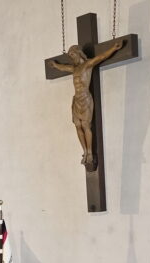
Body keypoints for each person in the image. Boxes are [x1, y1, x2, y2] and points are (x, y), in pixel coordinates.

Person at [46, 39, 125, 168]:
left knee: (86, 125)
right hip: (76, 100)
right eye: (70, 56)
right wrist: (54, 65)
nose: (71, 58)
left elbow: (101, 57)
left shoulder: (87, 65)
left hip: (85, 99)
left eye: (72, 54)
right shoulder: (74, 68)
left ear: (79, 53)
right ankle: (84, 151)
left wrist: (113, 48)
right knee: (78, 126)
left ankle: (90, 152)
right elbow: (62, 67)